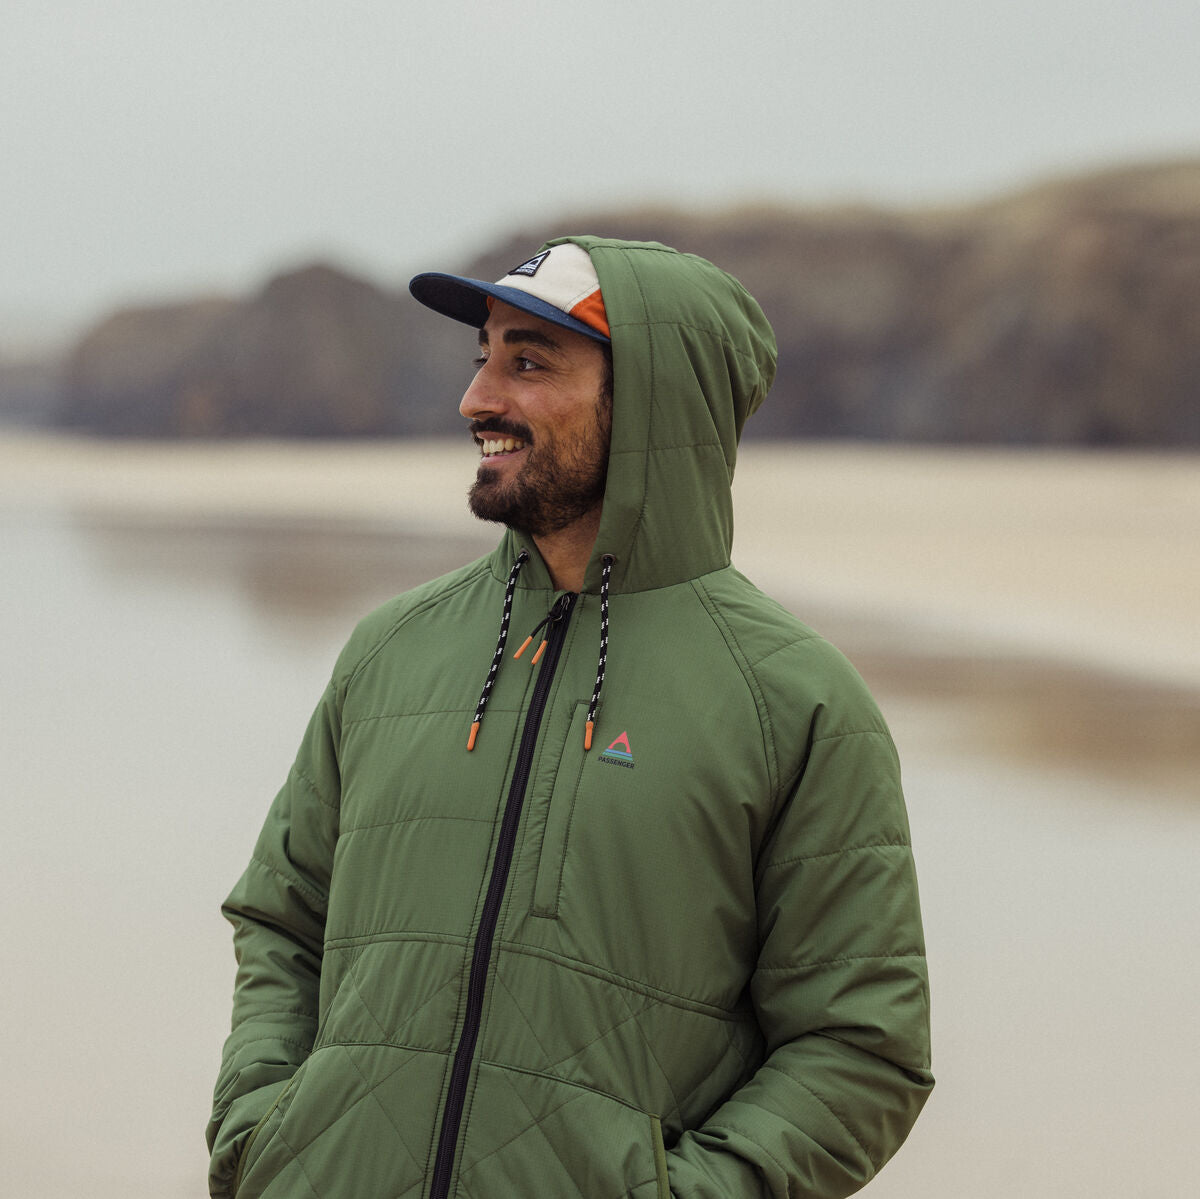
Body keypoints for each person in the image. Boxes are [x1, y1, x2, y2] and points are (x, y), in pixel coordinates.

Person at [207, 236, 934, 1199]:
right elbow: (282, 921)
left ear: (654, 404)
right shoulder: (390, 652)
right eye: (483, 357)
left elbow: (861, 1046)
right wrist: (262, 1138)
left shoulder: (795, 703)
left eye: (529, 362)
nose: (476, 399)